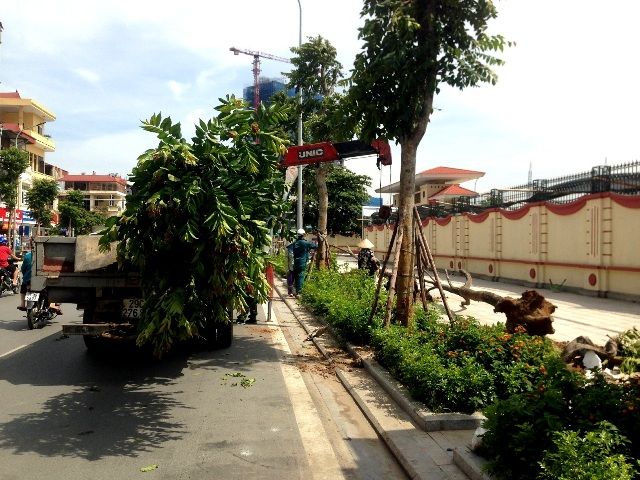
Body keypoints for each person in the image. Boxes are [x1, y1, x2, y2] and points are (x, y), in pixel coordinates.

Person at [291, 228, 317, 296]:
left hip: (296, 262)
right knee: (300, 276)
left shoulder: (295, 243)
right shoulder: (304, 243)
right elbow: (314, 246)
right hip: (302, 262)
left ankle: (296, 291)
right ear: (303, 235)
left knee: (296, 276)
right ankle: (299, 292)